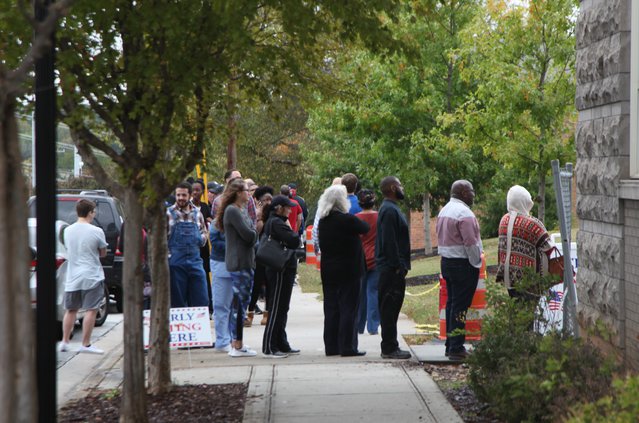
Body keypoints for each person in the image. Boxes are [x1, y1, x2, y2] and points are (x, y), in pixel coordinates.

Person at [318, 185, 370, 357]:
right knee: (349, 307)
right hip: (349, 269)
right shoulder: (347, 219)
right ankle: (348, 346)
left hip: (329, 269)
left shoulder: (324, 221)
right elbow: (365, 227)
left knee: (331, 307)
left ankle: (331, 346)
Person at [436, 180, 483, 362]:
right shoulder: (464, 213)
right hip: (463, 264)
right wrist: (476, 261)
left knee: (452, 304)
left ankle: (450, 343)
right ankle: (456, 347)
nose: (473, 194)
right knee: (460, 307)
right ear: (463, 192)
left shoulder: (444, 210)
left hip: (446, 262)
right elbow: (471, 243)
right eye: (471, 191)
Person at [60, 199, 108, 354]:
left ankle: (65, 342)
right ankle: (85, 344)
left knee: (71, 310)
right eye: (94, 211)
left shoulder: (68, 230)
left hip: (72, 275)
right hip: (92, 275)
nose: (94, 214)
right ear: (90, 212)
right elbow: (103, 252)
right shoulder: (96, 231)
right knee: (91, 309)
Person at [218, 178, 258, 357]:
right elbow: (249, 236)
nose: (248, 193)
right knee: (239, 305)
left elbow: (252, 232)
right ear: (237, 193)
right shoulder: (232, 211)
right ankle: (236, 344)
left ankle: (238, 342)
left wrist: (253, 231)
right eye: (245, 190)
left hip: (246, 261)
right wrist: (254, 231)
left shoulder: (241, 210)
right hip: (239, 262)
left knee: (242, 302)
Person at [261, 195, 302, 358]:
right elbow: (294, 240)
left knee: (283, 308)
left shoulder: (277, 222)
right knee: (276, 307)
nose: (291, 210)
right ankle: (269, 346)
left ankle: (281, 342)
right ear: (279, 208)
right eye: (288, 207)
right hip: (278, 269)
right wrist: (290, 230)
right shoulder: (276, 222)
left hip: (285, 268)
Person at [376, 176, 412, 360]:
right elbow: (389, 241)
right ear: (392, 188)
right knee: (389, 309)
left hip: (393, 268)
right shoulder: (389, 210)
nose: (402, 188)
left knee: (392, 309)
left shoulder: (391, 208)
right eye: (400, 185)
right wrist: (398, 266)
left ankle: (391, 345)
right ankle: (389, 347)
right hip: (391, 270)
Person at [496, 185, 553, 298]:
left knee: (517, 311)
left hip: (508, 278)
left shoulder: (504, 220)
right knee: (530, 312)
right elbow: (548, 247)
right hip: (528, 281)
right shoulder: (532, 224)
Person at [167, 181, 209, 308]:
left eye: (184, 195)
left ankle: (198, 327)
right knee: (177, 302)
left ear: (189, 195)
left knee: (201, 299)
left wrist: (199, 239)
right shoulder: (168, 214)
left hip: (195, 261)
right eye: (178, 195)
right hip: (175, 263)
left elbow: (204, 233)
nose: (180, 198)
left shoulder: (197, 213)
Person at [356, 189, 380, 335]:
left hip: (360, 258)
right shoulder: (379, 217)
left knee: (360, 293)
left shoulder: (356, 218)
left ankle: (359, 326)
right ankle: (373, 327)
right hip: (376, 258)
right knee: (373, 292)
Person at [249, 185, 274, 326]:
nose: (268, 203)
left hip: (271, 254)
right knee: (257, 283)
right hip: (258, 254)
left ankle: (267, 312)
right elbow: (256, 232)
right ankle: (250, 312)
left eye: (270, 200)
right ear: (259, 201)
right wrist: (260, 216)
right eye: (265, 200)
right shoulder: (257, 213)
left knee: (269, 284)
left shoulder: (276, 213)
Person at [209, 221, 234, 353]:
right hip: (221, 264)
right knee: (221, 305)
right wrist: (236, 244)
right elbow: (215, 242)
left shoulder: (242, 218)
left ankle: (234, 340)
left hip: (238, 264)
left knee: (235, 307)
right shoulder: (216, 223)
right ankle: (222, 341)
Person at [192, 179, 213, 316]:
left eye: (198, 190)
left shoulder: (205, 207)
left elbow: (210, 220)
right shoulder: (188, 208)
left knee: (205, 277)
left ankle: (209, 306)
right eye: (193, 190)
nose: (195, 193)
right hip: (193, 250)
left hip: (204, 250)